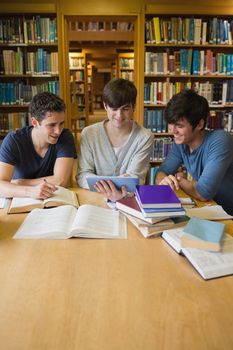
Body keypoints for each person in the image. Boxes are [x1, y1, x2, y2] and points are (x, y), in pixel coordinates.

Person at [155, 89, 233, 215]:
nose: (173, 131)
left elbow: (202, 193)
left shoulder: (220, 140)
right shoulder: (181, 142)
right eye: (171, 124)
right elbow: (161, 173)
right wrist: (164, 180)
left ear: (199, 124)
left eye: (179, 126)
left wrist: (178, 180)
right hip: (212, 210)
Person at [77, 78, 154, 202]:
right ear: (105, 106)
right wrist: (113, 187)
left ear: (134, 107)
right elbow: (83, 175)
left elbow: (136, 178)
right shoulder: (89, 134)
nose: (119, 115)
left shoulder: (145, 137)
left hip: (129, 201)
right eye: (114, 109)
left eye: (125, 109)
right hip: (96, 200)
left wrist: (99, 182)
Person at [0, 91, 77, 199]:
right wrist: (31, 192)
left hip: (54, 199)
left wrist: (18, 183)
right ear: (35, 122)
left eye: (61, 123)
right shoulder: (13, 141)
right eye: (52, 125)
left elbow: (60, 181)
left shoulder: (65, 137)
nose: (58, 131)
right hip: (20, 199)